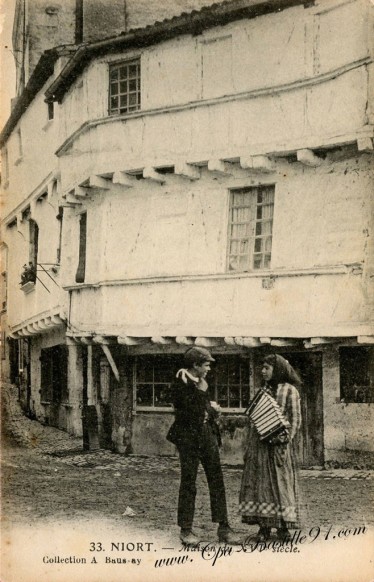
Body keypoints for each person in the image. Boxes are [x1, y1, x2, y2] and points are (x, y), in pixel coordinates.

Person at [167, 346, 239, 545]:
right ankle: (186, 529)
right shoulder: (180, 382)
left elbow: (202, 409)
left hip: (206, 435)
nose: (209, 369)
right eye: (206, 365)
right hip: (188, 439)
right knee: (189, 482)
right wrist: (204, 400)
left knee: (217, 480)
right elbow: (188, 413)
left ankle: (224, 527)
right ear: (195, 365)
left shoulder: (202, 382)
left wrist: (212, 408)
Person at [239, 354, 302, 541]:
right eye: (262, 367)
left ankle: (283, 527)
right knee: (261, 485)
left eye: (267, 368)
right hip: (260, 446)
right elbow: (253, 420)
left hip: (278, 447)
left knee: (281, 484)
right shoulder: (262, 391)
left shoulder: (290, 391)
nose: (263, 371)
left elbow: (295, 419)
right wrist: (250, 446)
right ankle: (264, 527)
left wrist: (284, 439)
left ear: (278, 369)